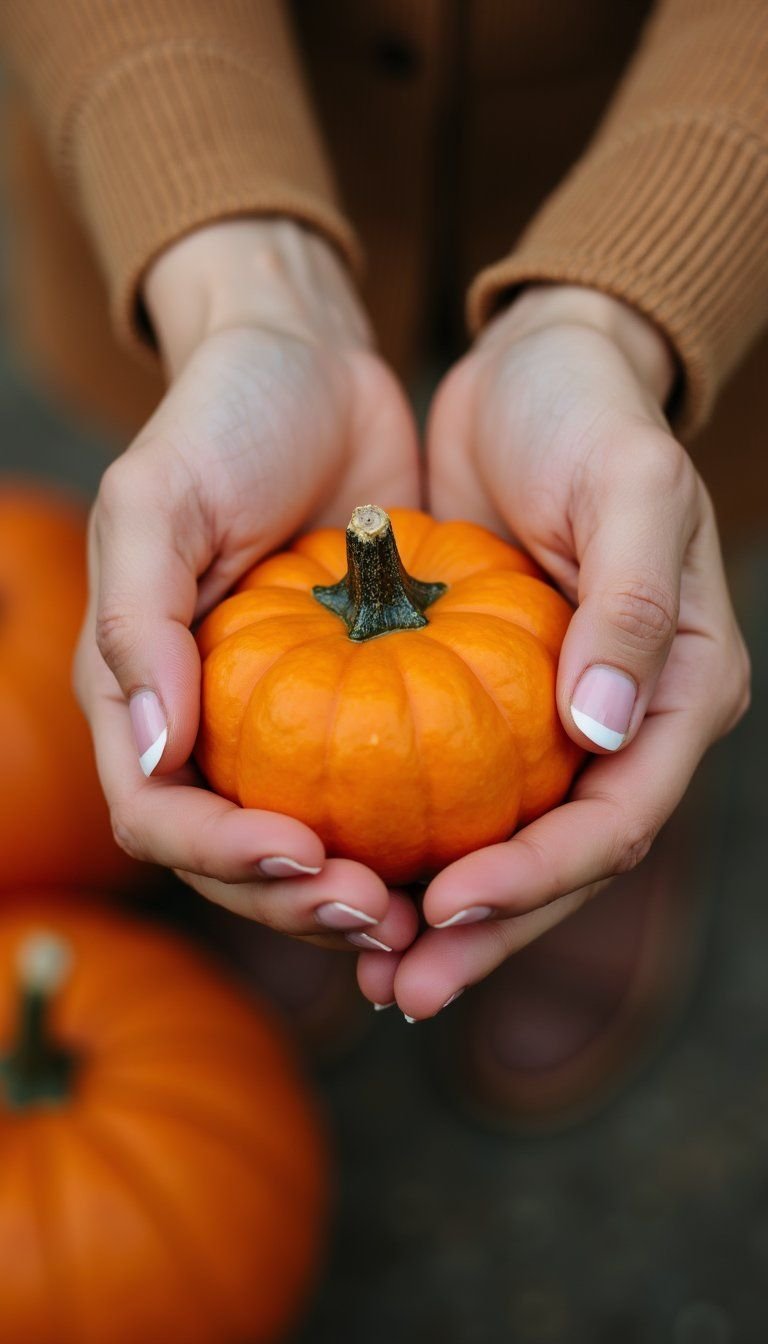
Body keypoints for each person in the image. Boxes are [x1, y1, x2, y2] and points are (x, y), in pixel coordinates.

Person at [2, 1, 765, 1122]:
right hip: (241, 105)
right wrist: (242, 295)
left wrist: (608, 328)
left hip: (649, 130)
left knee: (634, 531)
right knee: (282, 749)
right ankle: (306, 848)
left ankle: (600, 761)